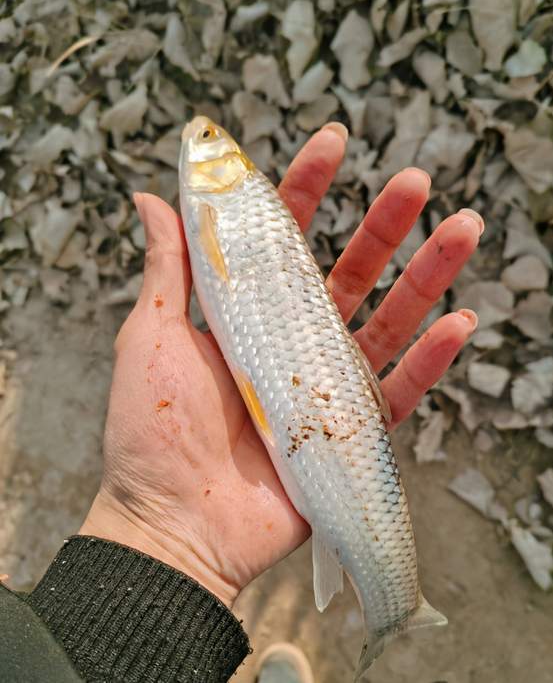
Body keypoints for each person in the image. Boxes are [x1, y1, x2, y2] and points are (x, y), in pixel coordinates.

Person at [0, 122, 482, 682]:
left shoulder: (231, 204)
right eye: (208, 138)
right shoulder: (228, 201)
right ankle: (392, 603)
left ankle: (395, 603)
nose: (197, 139)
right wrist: (159, 536)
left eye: (207, 139)